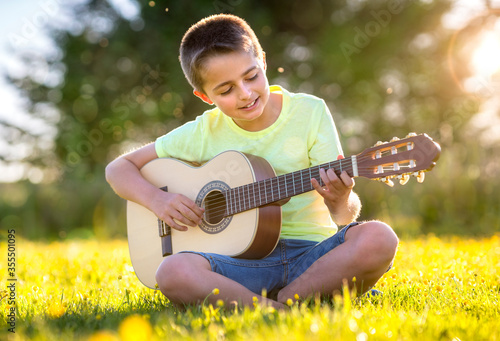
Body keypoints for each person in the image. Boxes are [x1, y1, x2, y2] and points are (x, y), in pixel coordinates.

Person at [105, 13, 398, 309]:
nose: (245, 94)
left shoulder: (310, 112)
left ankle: (283, 297)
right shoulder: (203, 132)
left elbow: (343, 218)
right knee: (171, 271)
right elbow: (118, 169)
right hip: (240, 266)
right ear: (205, 96)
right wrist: (158, 201)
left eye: (251, 76)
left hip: (312, 257)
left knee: (379, 238)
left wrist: (340, 199)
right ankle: (280, 309)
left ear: (264, 62)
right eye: (226, 90)